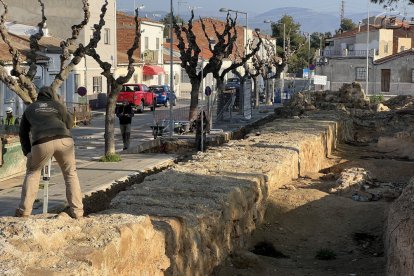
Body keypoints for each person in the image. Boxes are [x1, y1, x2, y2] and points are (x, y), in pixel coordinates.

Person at [16, 86, 83, 219]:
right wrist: (60, 106)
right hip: (64, 140)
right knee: (70, 174)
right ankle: (78, 212)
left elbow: (23, 132)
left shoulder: (30, 108)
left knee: (33, 173)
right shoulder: (58, 106)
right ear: (53, 95)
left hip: (41, 143)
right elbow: (69, 124)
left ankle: (24, 212)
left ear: (38, 96)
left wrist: (27, 152)